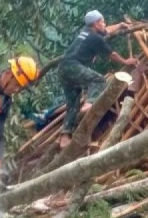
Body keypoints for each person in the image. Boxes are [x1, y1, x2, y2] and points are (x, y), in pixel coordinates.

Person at [57, 10, 137, 148]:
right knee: (99, 80)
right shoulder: (95, 38)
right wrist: (126, 61)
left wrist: (120, 25)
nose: (104, 24)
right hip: (73, 66)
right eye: (102, 21)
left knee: (73, 104)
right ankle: (90, 103)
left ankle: (64, 137)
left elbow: (106, 30)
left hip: (63, 68)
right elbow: (111, 54)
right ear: (96, 23)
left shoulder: (86, 32)